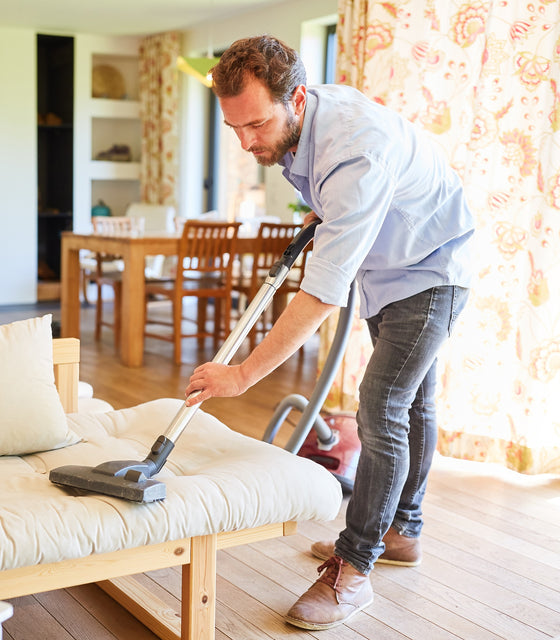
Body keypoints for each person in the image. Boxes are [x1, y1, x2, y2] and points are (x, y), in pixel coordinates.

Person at [184, 35, 474, 631]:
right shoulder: (304, 122)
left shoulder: (355, 148)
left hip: (433, 267)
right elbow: (344, 203)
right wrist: (329, 212)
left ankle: (354, 566)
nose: (245, 142)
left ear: (296, 97)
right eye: (234, 128)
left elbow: (321, 294)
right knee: (413, 400)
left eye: (257, 124)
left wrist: (241, 374)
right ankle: (404, 530)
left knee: (381, 404)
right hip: (388, 266)